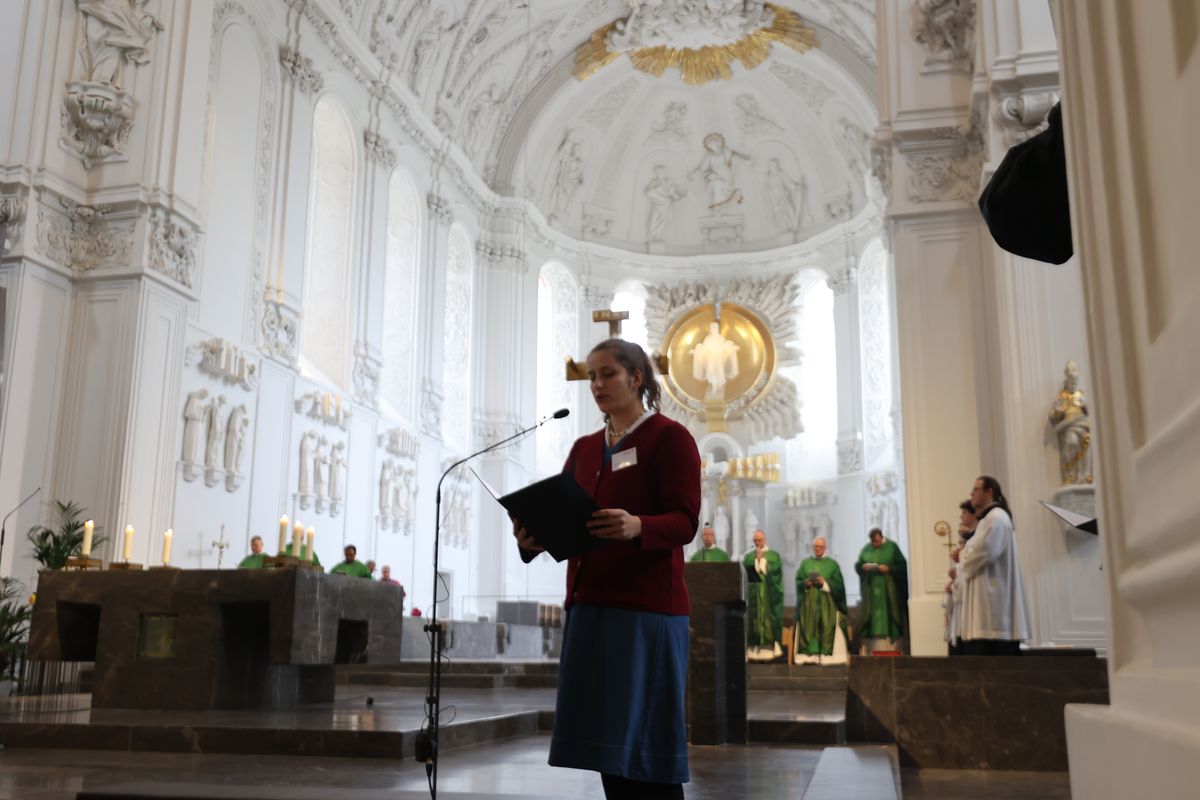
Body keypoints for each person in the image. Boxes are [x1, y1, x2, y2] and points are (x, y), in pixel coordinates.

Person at [512, 337, 700, 800]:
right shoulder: (583, 448)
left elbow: (685, 520)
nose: (596, 384)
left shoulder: (669, 438)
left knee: (646, 751)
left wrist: (639, 525)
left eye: (607, 374)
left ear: (636, 378)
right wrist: (533, 540)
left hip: (646, 613)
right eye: (591, 376)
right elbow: (568, 519)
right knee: (609, 750)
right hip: (590, 609)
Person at [953, 476, 1030, 655]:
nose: (971, 494)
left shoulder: (997, 517)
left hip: (994, 611)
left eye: (975, 489)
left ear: (989, 491)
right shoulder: (987, 520)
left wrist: (962, 554)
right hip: (985, 609)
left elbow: (986, 550)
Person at [793, 537, 846, 664]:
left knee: (826, 626)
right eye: (816, 546)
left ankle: (825, 655)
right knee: (808, 627)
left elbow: (839, 585)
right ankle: (809, 656)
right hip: (809, 604)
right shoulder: (805, 563)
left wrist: (825, 583)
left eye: (820, 547)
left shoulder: (832, 564)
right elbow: (798, 581)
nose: (818, 549)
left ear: (825, 548)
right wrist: (806, 583)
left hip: (826, 603)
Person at [855, 527, 908, 653]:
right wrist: (863, 568)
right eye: (874, 542)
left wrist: (889, 568)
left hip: (888, 590)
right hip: (871, 591)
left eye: (878, 541)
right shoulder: (867, 549)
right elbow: (858, 564)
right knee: (873, 617)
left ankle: (892, 647)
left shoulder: (892, 547)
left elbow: (902, 565)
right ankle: (872, 648)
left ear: (882, 537)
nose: (876, 544)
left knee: (890, 613)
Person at [743, 530, 784, 661]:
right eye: (755, 540)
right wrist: (756, 560)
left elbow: (776, 572)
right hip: (755, 596)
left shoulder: (774, 556)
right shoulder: (749, 556)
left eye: (759, 540)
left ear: (765, 540)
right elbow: (750, 575)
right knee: (754, 619)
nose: (757, 543)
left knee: (769, 619)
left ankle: (770, 650)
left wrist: (762, 561)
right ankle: (754, 652)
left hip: (769, 596)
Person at [944, 500, 977, 655]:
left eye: (961, 541)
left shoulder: (975, 542)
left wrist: (955, 579)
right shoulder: (965, 550)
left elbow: (969, 572)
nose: (959, 546)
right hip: (959, 607)